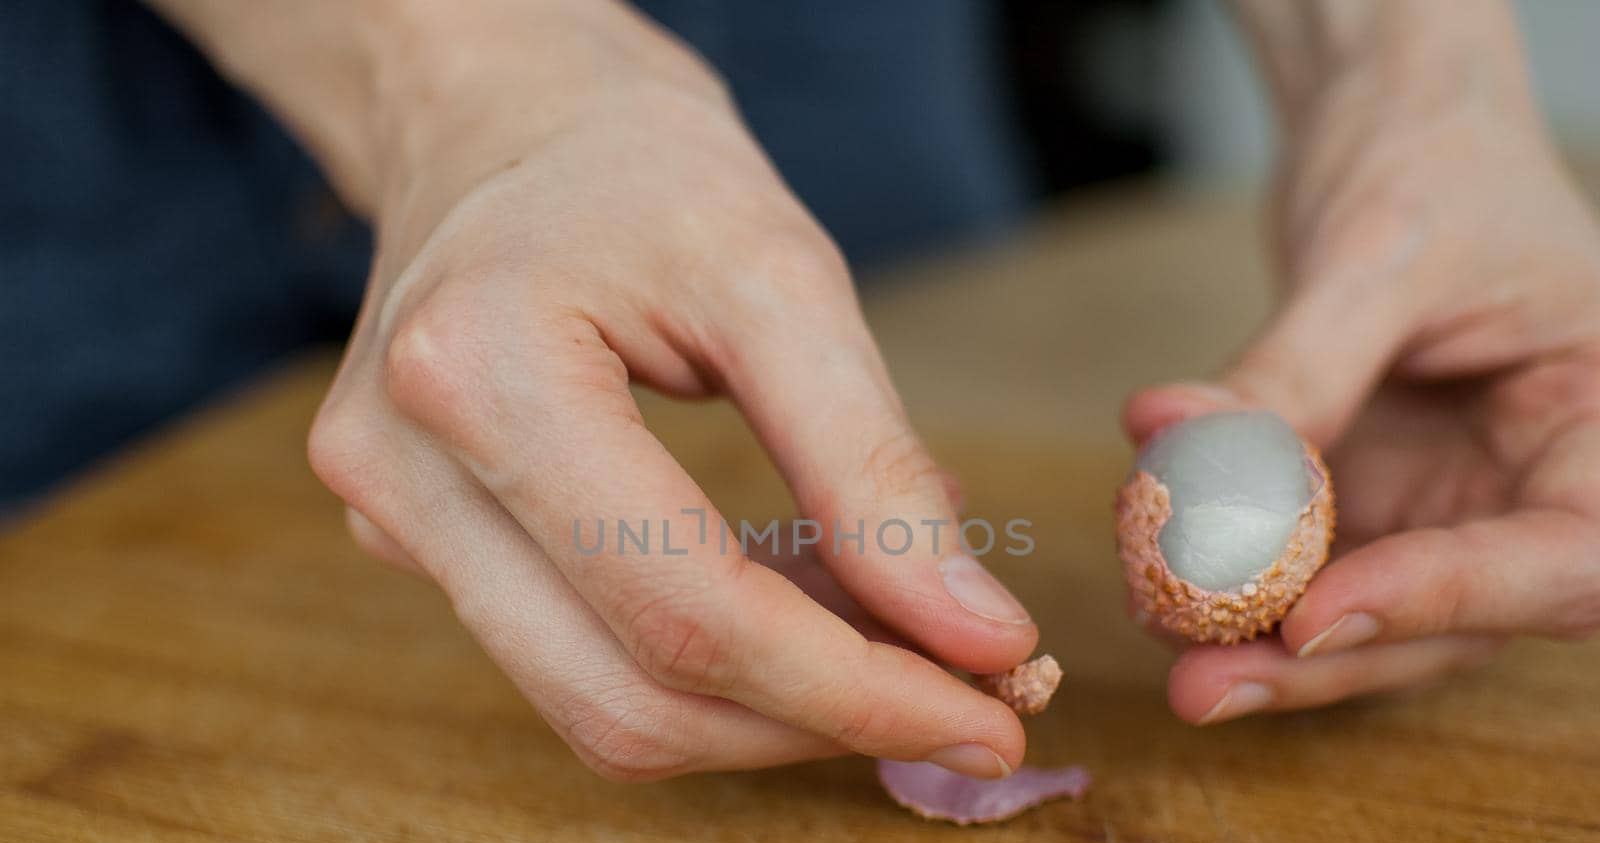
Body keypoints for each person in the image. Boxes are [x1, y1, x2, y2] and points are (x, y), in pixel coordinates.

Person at [16, 0, 1600, 781]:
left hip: (810, 68)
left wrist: (1410, 78)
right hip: (114, 179)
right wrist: (452, 63)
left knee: (870, 478)